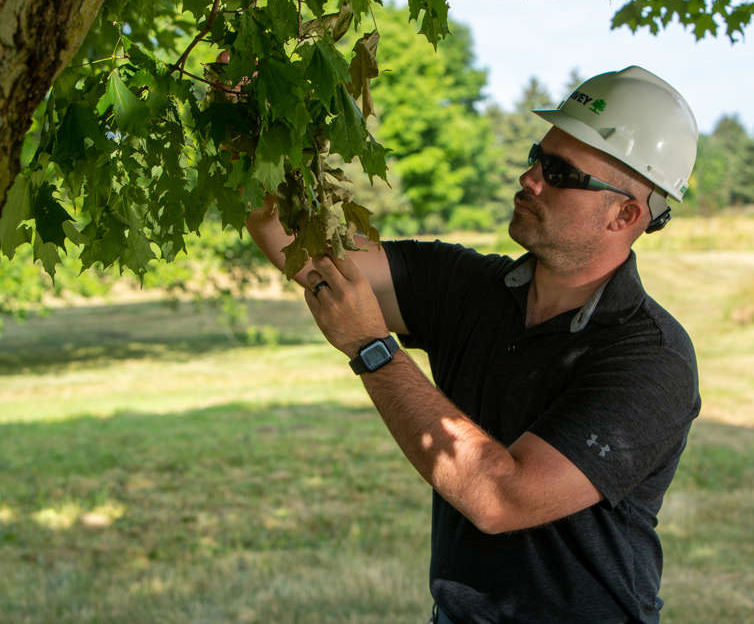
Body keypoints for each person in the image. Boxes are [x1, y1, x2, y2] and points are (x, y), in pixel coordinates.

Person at [246, 65, 700, 623]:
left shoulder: (652, 358)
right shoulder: (468, 286)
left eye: (559, 173)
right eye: (538, 155)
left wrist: (373, 348)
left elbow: (503, 499)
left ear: (625, 214)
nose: (530, 177)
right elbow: (306, 250)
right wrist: (250, 125)